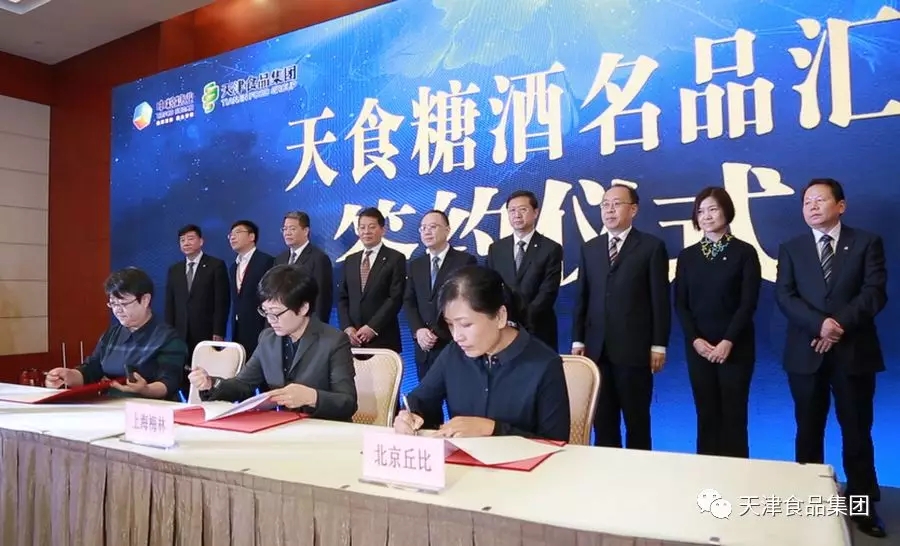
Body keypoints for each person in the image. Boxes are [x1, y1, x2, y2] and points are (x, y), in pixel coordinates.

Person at [775, 178, 887, 538]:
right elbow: (785, 297)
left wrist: (837, 325)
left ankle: (862, 506)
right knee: (808, 430)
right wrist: (819, 325)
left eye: (820, 200)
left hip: (853, 352)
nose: (812, 206)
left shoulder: (866, 242)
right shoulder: (791, 248)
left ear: (841, 205)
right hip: (805, 352)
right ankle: (810, 502)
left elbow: (874, 292)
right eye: (806, 201)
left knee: (857, 431)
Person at [393, 265, 570, 441]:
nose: (457, 336)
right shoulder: (453, 353)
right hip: (461, 458)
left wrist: (492, 429)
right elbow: (420, 398)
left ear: (500, 316)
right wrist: (409, 414)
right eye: (451, 324)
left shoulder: (545, 364)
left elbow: (556, 443)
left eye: (466, 324)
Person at [189, 265, 358, 421]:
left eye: (276, 313)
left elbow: (348, 402)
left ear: (303, 308)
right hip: (282, 427)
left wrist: (312, 397)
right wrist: (212, 383)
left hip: (323, 430)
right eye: (266, 312)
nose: (270, 320)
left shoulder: (334, 341)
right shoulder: (268, 338)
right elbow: (243, 385)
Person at [571, 185, 670, 450]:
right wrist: (578, 339)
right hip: (597, 350)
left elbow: (660, 301)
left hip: (634, 350)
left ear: (633, 209)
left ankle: (640, 472)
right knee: (603, 422)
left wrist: (659, 344)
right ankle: (607, 472)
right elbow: (582, 296)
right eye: (605, 204)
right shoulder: (590, 248)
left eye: (616, 204)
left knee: (637, 421)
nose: (610, 210)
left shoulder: (651, 247)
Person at [673, 187, 761, 458]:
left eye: (713, 209)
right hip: (699, 348)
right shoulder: (687, 256)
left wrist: (727, 341)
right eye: (701, 211)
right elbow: (681, 304)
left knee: (734, 416)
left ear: (727, 211)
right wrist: (695, 340)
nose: (706, 216)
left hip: (735, 347)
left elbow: (748, 303)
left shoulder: (744, 252)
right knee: (706, 414)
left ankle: (737, 475)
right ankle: (707, 475)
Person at [45, 267, 187, 400]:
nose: (117, 310)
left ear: (145, 300)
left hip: (150, 408)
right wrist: (68, 375)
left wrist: (145, 389)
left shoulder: (168, 338)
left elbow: (169, 382)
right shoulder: (112, 334)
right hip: (111, 406)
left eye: (123, 304)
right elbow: (90, 371)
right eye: (113, 304)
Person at [403, 209, 477, 427]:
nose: (427, 231)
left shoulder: (465, 261)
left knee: (459, 405)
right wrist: (418, 331)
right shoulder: (416, 264)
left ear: (447, 230)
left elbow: (465, 302)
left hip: (453, 344)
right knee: (426, 408)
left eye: (433, 227)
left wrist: (436, 331)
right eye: (423, 228)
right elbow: (409, 301)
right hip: (424, 348)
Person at [485, 190, 563, 351]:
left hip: (539, 328)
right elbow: (490, 287)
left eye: (523, 209)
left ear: (535, 212)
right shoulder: (496, 249)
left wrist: (523, 320)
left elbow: (548, 291)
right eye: (512, 210)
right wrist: (506, 319)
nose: (517, 215)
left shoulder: (551, 248)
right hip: (503, 329)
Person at [163, 224, 230, 388]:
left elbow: (222, 301)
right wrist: (169, 332)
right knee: (181, 374)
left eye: (190, 238)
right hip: (179, 332)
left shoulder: (215, 265)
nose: (186, 243)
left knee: (204, 373)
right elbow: (170, 303)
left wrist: (218, 331)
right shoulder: (174, 269)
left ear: (201, 241)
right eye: (182, 240)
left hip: (206, 330)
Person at [337, 207, 406, 353]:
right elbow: (343, 298)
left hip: (383, 338)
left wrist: (373, 327)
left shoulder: (396, 258)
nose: (366, 231)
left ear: (383, 230)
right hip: (352, 340)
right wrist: (347, 328)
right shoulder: (350, 260)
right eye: (362, 227)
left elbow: (395, 298)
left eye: (372, 227)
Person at [273, 211, 334, 324]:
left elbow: (322, 298)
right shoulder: (280, 259)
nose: (287, 233)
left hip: (305, 324)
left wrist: (317, 327)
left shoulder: (319, 258)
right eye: (285, 229)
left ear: (306, 231)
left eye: (292, 229)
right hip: (281, 324)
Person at [228, 220, 275, 356]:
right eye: (230, 235)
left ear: (251, 236)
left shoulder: (266, 261)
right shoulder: (233, 266)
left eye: (238, 232)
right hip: (239, 329)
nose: (232, 237)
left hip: (260, 326)